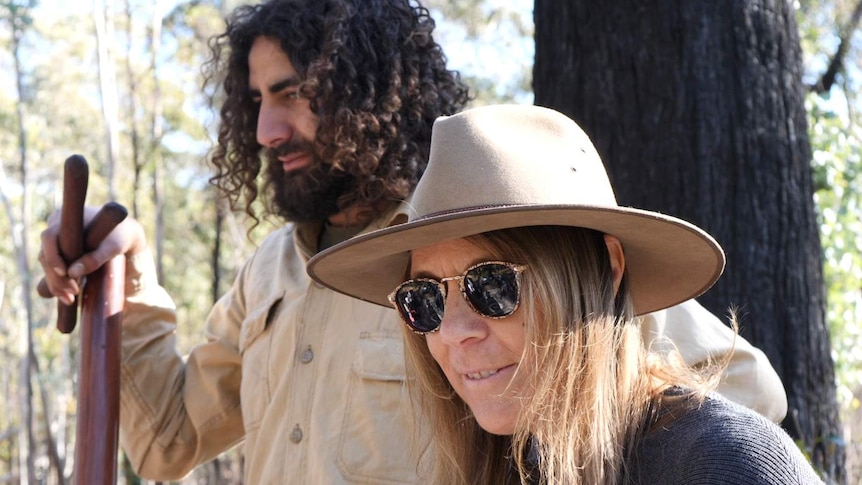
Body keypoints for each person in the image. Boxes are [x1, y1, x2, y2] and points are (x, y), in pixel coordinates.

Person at [36, 1, 784, 483]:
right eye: (421, 303)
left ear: (367, 88)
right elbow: (168, 441)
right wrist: (124, 284)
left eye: (292, 93)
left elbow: (740, 396)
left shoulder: (507, 228)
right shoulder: (270, 270)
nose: (265, 130)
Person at [307, 104, 822, 484]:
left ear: (607, 269)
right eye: (424, 299)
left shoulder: (723, 464)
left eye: (491, 284)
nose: (454, 332)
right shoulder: (505, 465)